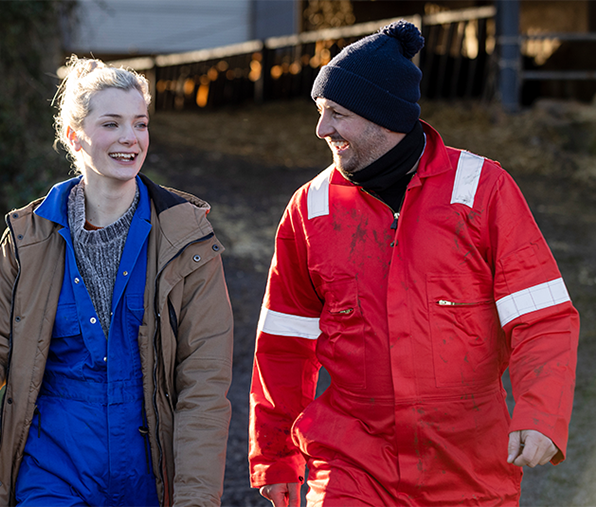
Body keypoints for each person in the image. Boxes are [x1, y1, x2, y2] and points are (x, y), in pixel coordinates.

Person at [248, 20, 579, 507]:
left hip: (468, 466)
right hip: (350, 464)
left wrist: (541, 413)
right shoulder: (310, 209)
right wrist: (276, 458)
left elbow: (542, 318)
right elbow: (282, 345)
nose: (322, 129)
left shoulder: (483, 191)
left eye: (336, 113)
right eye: (321, 112)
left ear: (382, 116)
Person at [0, 56, 234, 507]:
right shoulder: (27, 240)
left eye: (140, 124)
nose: (130, 138)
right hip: (52, 468)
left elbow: (203, 384)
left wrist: (196, 498)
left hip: (147, 475)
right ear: (74, 136)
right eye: (111, 124)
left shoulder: (186, 243)